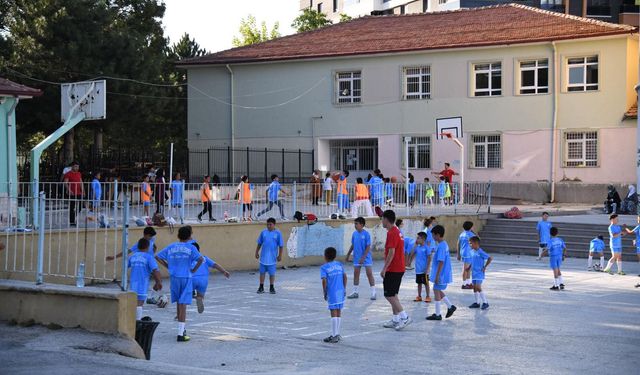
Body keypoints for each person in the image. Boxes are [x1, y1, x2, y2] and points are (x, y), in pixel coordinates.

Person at [155, 226, 204, 342]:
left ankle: (182, 330)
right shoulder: (191, 247)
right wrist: (194, 270)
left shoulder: (172, 246)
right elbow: (201, 259)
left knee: (178, 302)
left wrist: (168, 266)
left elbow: (157, 256)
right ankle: (181, 333)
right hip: (186, 277)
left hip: (174, 277)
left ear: (178, 235)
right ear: (189, 236)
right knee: (183, 305)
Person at [380, 210, 412, 330]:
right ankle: (395, 319)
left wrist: (384, 268)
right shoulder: (397, 231)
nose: (381, 221)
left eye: (382, 219)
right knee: (393, 294)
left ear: (387, 220)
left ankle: (405, 317)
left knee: (389, 295)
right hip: (399, 267)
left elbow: (391, 252)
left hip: (394, 268)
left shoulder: (392, 233)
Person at [426, 225, 456, 321]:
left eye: (433, 235)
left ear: (438, 235)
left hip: (441, 274)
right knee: (437, 290)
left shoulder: (442, 246)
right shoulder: (443, 244)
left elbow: (441, 261)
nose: (433, 237)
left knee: (436, 290)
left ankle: (438, 314)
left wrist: (438, 275)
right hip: (442, 273)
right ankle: (450, 306)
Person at [128, 238, 162, 320]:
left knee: (133, 302)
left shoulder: (133, 256)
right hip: (142, 283)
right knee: (140, 303)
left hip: (133, 283)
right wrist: (158, 282)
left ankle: (132, 320)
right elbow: (155, 271)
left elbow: (126, 266)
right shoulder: (149, 257)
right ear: (148, 247)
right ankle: (137, 321)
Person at [345, 217, 376, 300]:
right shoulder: (354, 234)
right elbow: (353, 245)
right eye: (354, 223)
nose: (355, 225)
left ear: (362, 225)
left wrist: (363, 257)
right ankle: (355, 292)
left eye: (356, 224)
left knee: (369, 274)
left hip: (366, 257)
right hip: (357, 257)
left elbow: (368, 246)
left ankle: (373, 292)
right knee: (356, 274)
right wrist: (348, 255)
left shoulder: (366, 234)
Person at [321, 247, 347, 344]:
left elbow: (324, 280)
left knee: (333, 312)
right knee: (339, 311)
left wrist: (324, 291)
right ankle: (337, 333)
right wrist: (344, 288)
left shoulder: (324, 267)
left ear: (325, 257)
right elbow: (345, 276)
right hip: (340, 291)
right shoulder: (339, 264)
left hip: (332, 292)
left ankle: (334, 335)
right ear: (335, 256)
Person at [255, 218, 284, 294]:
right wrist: (256, 252)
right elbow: (259, 243)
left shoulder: (278, 233)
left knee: (272, 273)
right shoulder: (263, 232)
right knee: (262, 272)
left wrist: (280, 255)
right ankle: (261, 287)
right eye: (267, 224)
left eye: (270, 224)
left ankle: (271, 287)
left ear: (274, 224)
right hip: (263, 257)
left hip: (272, 258)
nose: (268, 226)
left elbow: (281, 245)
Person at [468, 236, 492, 310]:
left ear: (476, 243)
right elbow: (473, 261)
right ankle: (477, 303)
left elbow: (490, 258)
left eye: (471, 243)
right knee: (474, 288)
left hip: (479, 272)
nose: (470, 245)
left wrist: (485, 267)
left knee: (478, 287)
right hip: (474, 273)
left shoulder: (480, 251)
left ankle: (485, 302)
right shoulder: (472, 252)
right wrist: (469, 268)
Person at [408, 232, 432, 303]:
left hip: (424, 270)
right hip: (418, 269)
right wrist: (415, 245)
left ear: (423, 239)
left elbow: (429, 258)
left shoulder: (426, 248)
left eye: (418, 238)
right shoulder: (417, 247)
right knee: (419, 283)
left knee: (426, 283)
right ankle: (419, 296)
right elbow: (412, 253)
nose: (417, 239)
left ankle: (428, 296)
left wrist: (427, 268)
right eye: (417, 238)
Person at [63, 161, 84, 227]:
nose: (77, 168)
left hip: (78, 192)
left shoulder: (79, 173)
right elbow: (65, 183)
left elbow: (81, 182)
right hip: (72, 193)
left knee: (80, 206)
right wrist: (69, 190)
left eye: (78, 167)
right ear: (72, 166)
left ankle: (74, 215)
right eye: (75, 166)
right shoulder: (68, 174)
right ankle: (72, 221)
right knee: (72, 207)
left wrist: (83, 190)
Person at [457, 221, 476, 289]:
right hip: (468, 253)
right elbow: (477, 242)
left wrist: (458, 254)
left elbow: (458, 244)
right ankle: (464, 284)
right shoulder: (472, 235)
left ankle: (468, 283)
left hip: (464, 252)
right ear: (471, 227)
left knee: (468, 269)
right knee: (466, 269)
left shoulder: (462, 234)